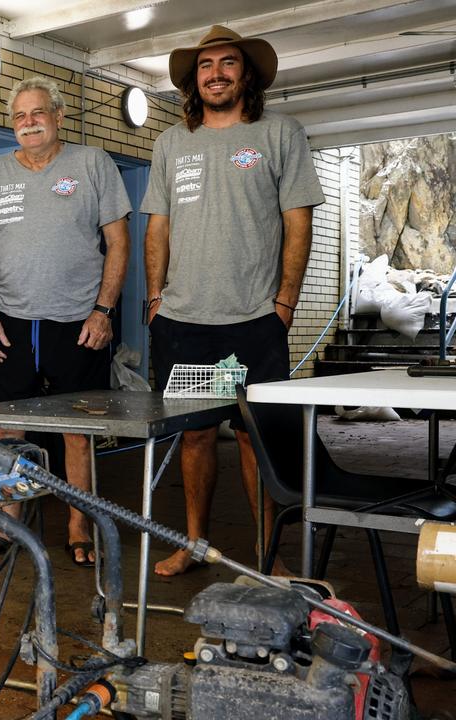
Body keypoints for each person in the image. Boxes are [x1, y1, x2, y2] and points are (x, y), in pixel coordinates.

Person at [143, 25, 324, 576]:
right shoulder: (173, 141)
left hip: (253, 319)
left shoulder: (279, 134)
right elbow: (159, 226)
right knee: (195, 435)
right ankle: (195, 544)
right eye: (205, 66)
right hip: (183, 319)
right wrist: (155, 296)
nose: (216, 73)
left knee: (255, 439)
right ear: (194, 80)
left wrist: (286, 300)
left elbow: (299, 222)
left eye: (227, 63)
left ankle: (267, 557)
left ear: (246, 75)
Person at [0, 77, 131, 566]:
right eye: (19, 116)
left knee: (75, 431)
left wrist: (104, 311)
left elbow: (118, 242)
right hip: (10, 322)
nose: (29, 122)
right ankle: (7, 522)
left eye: (38, 113)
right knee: (7, 431)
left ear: (59, 116)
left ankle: (79, 525)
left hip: (77, 321)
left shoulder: (92, 163)